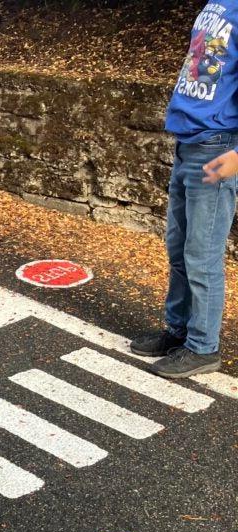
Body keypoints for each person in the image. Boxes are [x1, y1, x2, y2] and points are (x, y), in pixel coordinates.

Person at [133, 2, 238, 378]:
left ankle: (202, 348)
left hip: (216, 148)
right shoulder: (217, 4)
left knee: (202, 255)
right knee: (178, 248)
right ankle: (177, 330)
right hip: (187, 144)